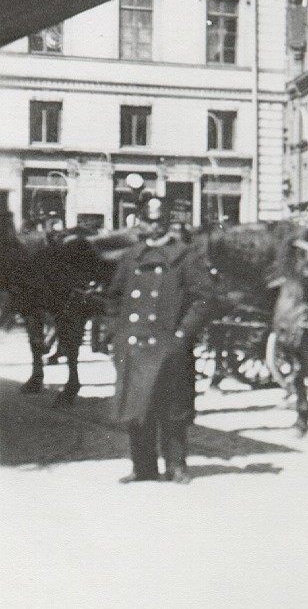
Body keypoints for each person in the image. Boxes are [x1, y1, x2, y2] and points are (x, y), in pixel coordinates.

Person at [104, 194, 214, 484]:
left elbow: (203, 299)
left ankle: (176, 465)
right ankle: (143, 467)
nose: (151, 227)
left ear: (167, 223)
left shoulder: (185, 256)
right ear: (138, 221)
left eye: (157, 221)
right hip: (133, 344)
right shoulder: (131, 257)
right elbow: (114, 298)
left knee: (172, 408)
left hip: (169, 344)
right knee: (136, 408)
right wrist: (117, 335)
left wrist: (182, 335)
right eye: (146, 220)